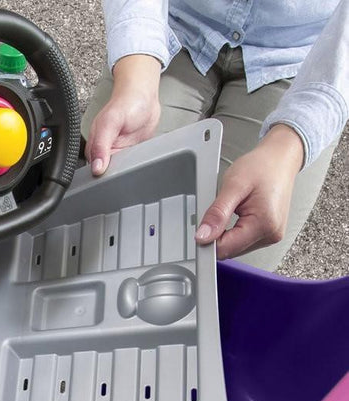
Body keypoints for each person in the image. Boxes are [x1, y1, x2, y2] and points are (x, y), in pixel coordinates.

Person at [82, 0, 349, 270]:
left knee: (224, 269)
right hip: (174, 24)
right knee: (94, 231)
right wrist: (136, 76)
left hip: (303, 58)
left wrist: (288, 146)